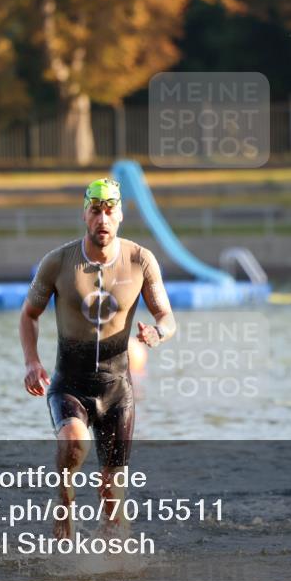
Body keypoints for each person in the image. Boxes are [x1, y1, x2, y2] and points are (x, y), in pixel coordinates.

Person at [19, 178, 177, 539]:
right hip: (69, 384)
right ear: (84, 215)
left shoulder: (141, 260)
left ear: (120, 214)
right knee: (75, 444)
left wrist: (158, 332)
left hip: (117, 389)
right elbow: (28, 314)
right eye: (95, 211)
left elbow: (167, 318)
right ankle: (64, 503)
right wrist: (31, 361)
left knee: (112, 496)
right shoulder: (58, 262)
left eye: (109, 211)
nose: (102, 219)